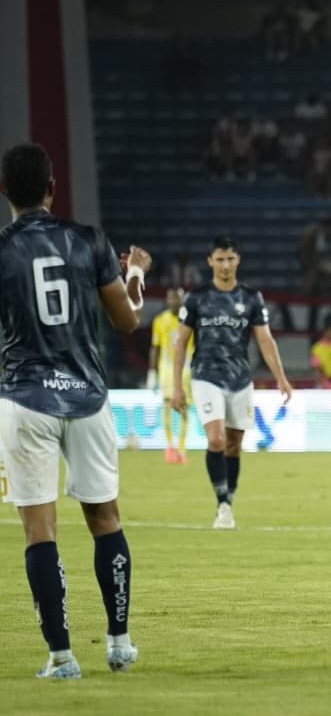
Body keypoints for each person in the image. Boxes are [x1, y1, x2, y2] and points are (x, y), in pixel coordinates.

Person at [0, 142, 148, 678]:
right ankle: (119, 641)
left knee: (41, 532)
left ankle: (61, 656)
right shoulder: (89, 241)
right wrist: (134, 276)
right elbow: (128, 322)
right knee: (105, 520)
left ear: (3, 192)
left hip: (25, 397)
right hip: (87, 398)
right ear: (52, 187)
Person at [172, 236, 292, 529]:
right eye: (220, 259)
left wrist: (281, 378)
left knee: (235, 446)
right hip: (206, 375)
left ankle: (227, 500)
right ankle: (223, 503)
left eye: (230, 259)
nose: (225, 265)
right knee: (216, 439)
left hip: (240, 378)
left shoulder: (251, 298)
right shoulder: (196, 297)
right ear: (210, 261)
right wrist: (177, 386)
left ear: (238, 261)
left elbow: (265, 339)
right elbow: (180, 343)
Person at [148, 287, 193, 464]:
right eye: (171, 299)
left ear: (182, 300)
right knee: (167, 405)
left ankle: (181, 448)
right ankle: (169, 446)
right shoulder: (160, 321)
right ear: (167, 301)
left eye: (178, 299)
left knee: (184, 408)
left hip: (187, 370)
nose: (174, 302)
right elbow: (155, 347)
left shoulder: (190, 320)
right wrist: (151, 373)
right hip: (167, 370)